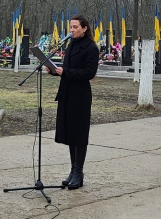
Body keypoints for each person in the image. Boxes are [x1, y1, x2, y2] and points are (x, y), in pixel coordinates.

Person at [46, 14, 99, 190]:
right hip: (66, 93)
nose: (72, 30)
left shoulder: (91, 48)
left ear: (85, 28)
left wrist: (65, 72)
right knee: (70, 134)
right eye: (71, 27)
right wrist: (53, 70)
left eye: (76, 27)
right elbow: (66, 68)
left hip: (80, 96)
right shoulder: (71, 44)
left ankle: (79, 172)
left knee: (79, 135)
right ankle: (72, 170)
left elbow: (89, 73)